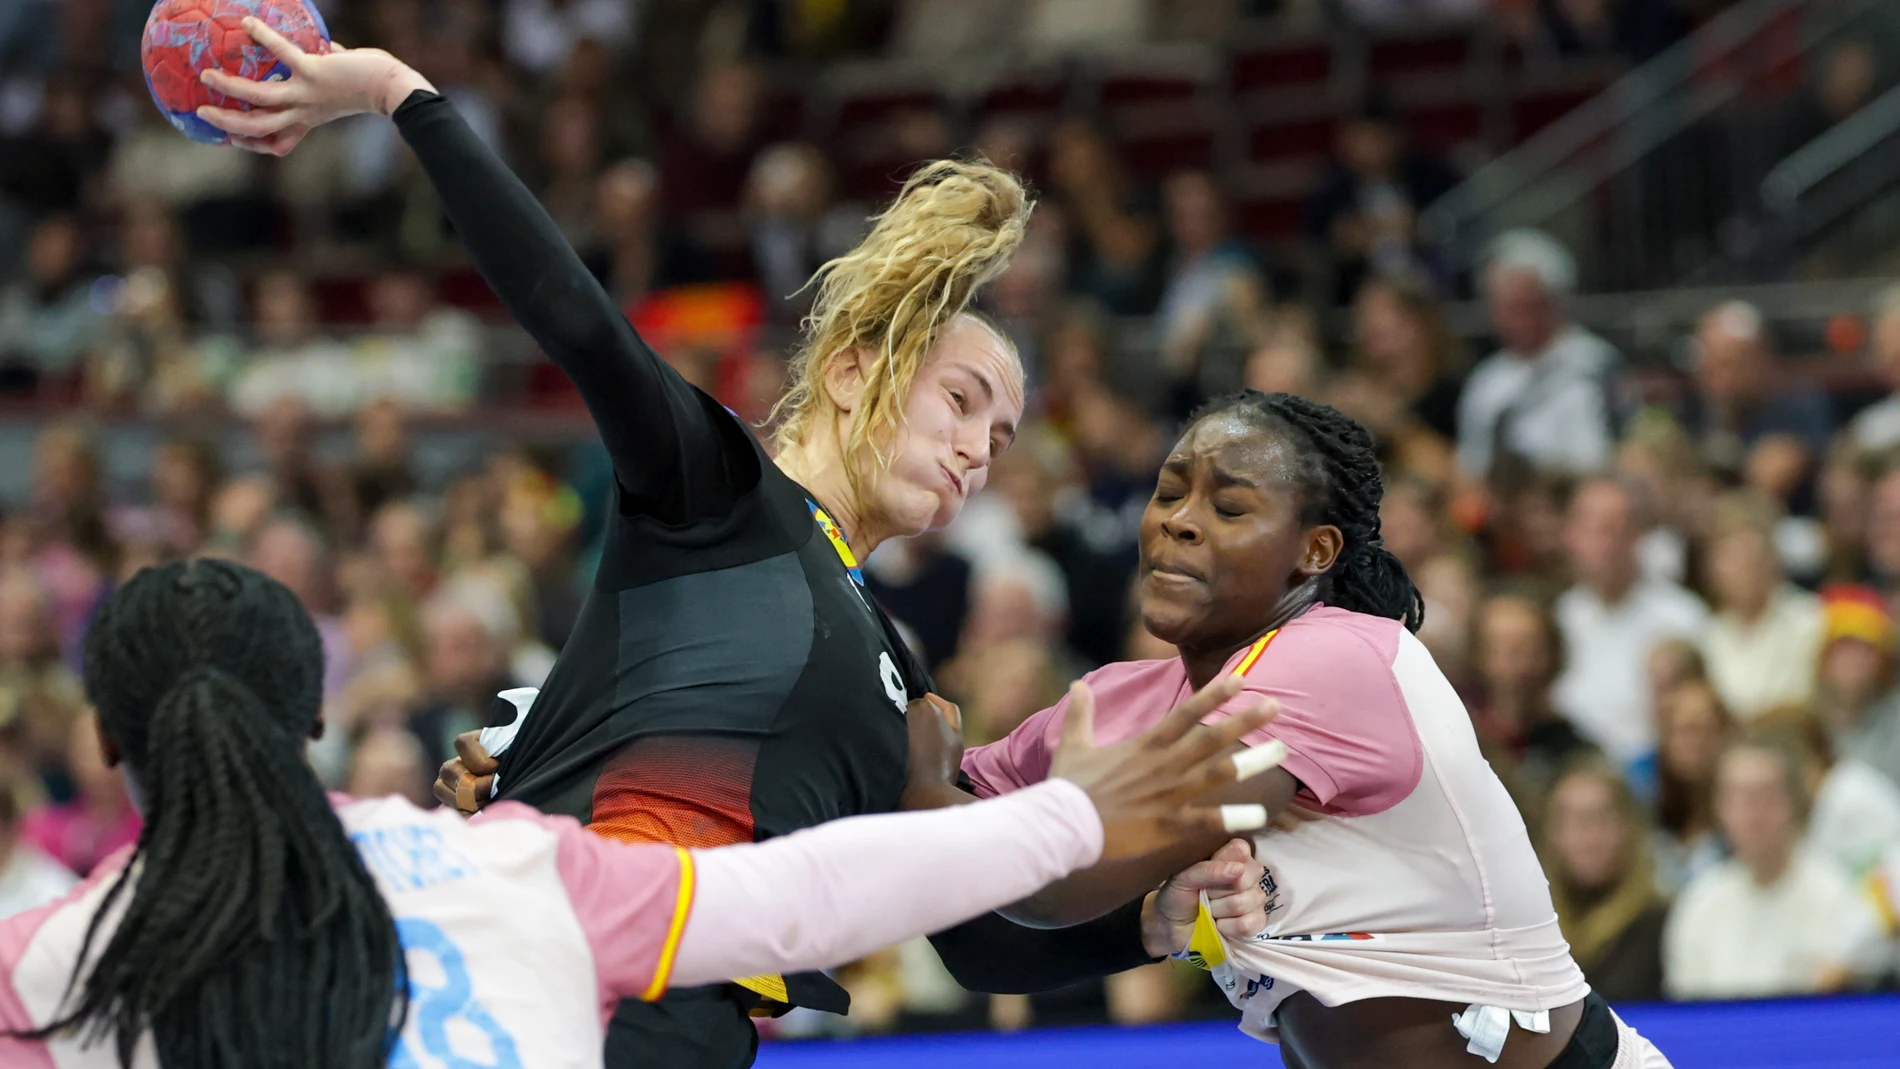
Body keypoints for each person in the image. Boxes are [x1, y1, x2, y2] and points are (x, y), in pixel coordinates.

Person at [195, 24, 1271, 1069]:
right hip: (548, 974)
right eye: (960, 400)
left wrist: (1150, 920)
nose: (977, 451)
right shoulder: (718, 488)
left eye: (999, 436)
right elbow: (577, 320)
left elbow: (966, 927)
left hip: (696, 1028)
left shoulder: (904, 675)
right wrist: (400, 94)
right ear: (854, 372)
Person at [0, 558, 1287, 1069]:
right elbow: (806, 895)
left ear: (106, 738)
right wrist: (1071, 817)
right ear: (315, 715)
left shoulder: (39, 970)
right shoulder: (513, 872)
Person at [929, 392, 1669, 1068]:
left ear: (1314, 551)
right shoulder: (1113, 701)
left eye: (1230, 507)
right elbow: (972, 934)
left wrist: (914, 781)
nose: (1179, 519)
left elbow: (1049, 890)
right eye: (1169, 491)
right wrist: (1154, 920)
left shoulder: (1334, 658)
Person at [1662, 734, 1887, 1000]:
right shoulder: (1698, 905)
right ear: (1719, 808)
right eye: (1739, 797)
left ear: (1795, 802)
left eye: (1767, 794)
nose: (1753, 811)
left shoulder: (1840, 897)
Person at [1551, 478, 1709, 770]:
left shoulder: (1683, 617)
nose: (1604, 546)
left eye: (1614, 531)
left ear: (1638, 537)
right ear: (1571, 537)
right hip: (1571, 767)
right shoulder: (1559, 616)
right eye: (1592, 531)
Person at [1456, 230, 1620, 481]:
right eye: (1503, 307)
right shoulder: (1485, 381)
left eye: (1524, 305)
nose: (1513, 321)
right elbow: (1472, 465)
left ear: (1554, 300)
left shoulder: (1595, 362)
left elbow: (1603, 456)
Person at [1541, 763, 1668, 1002]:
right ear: (1551, 833)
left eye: (1601, 819)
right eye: (1573, 821)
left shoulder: (1660, 926)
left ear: (1629, 827)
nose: (1589, 838)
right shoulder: (1532, 928)